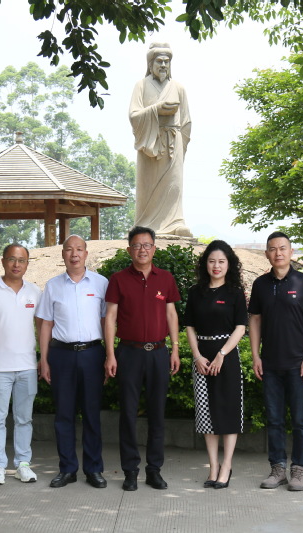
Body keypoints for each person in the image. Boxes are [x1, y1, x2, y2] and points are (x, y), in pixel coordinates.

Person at [104, 226, 181, 491]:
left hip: (159, 353)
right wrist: (110, 354)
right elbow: (110, 317)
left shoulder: (166, 278)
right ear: (129, 250)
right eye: (137, 245)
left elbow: (171, 314)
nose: (142, 250)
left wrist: (175, 349)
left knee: (157, 413)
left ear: (154, 249)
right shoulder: (118, 279)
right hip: (129, 353)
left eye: (147, 245)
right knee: (128, 413)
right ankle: (130, 471)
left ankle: (154, 470)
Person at [249, 232, 303, 492]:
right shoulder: (260, 284)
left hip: (298, 364)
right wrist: (256, 356)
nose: (278, 253)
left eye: (283, 248)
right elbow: (254, 321)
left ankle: (299, 469)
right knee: (274, 419)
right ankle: (278, 468)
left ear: (291, 252)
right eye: (273, 249)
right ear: (267, 254)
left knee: (301, 420)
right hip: (270, 364)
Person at [37, 235, 108, 489]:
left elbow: (106, 322)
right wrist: (44, 359)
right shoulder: (53, 285)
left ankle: (94, 469)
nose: (74, 254)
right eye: (69, 249)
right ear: (63, 254)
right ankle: (67, 469)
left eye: (79, 249)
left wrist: (109, 355)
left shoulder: (101, 283)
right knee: (64, 414)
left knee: (91, 414)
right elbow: (46, 324)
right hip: (62, 355)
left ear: (86, 254)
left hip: (92, 354)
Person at [0, 243, 42, 485]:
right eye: (12, 259)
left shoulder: (35, 292)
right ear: (3, 261)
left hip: (28, 367)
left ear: (27, 264)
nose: (16, 264)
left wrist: (43, 357)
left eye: (21, 260)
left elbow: (42, 327)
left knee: (24, 419)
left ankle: (23, 464)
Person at [185, 240, 247, 490]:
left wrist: (222, 353)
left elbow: (240, 327)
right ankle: (213, 466)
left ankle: (226, 466)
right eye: (212, 261)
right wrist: (197, 356)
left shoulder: (235, 292)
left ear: (229, 264)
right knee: (206, 414)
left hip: (227, 357)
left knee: (229, 412)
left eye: (221, 261)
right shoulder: (195, 292)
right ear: (205, 264)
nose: (216, 266)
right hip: (202, 358)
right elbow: (189, 326)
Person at [129, 42, 192, 237]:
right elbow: (134, 115)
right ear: (150, 64)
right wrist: (157, 110)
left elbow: (186, 120)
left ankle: (175, 222)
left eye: (166, 61)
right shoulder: (141, 85)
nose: (163, 65)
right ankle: (145, 225)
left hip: (173, 142)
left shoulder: (178, 88)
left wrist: (182, 144)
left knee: (174, 185)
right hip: (150, 143)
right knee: (148, 187)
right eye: (159, 61)